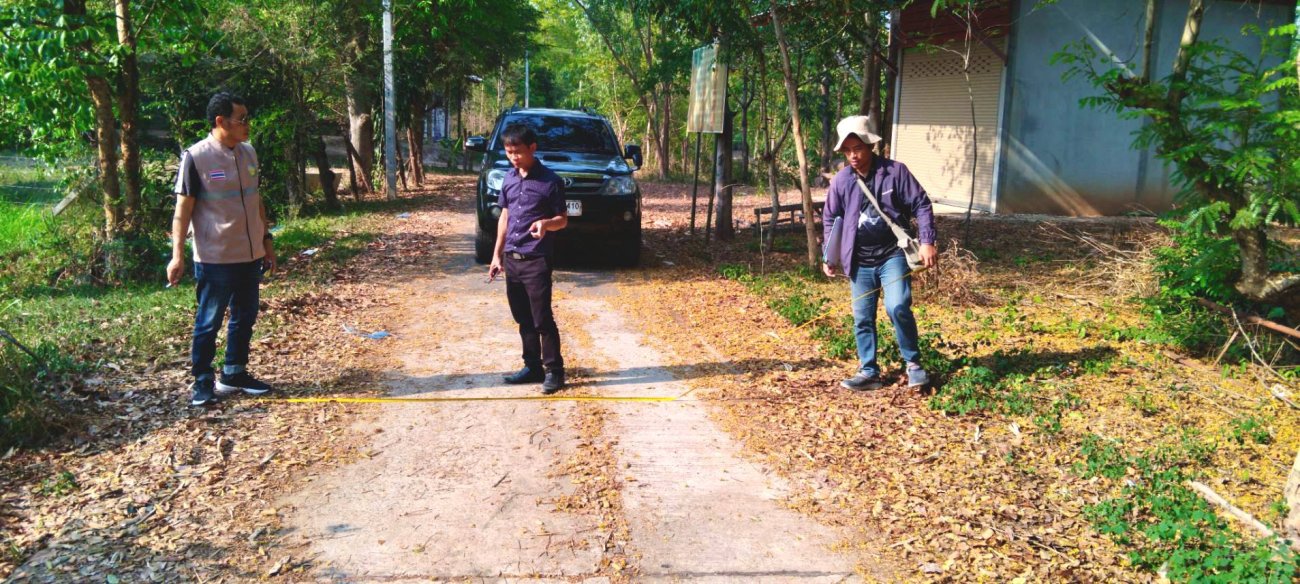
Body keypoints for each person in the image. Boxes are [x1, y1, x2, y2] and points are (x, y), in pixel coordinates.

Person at [167, 92, 277, 406]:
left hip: (250, 254)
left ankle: (234, 373)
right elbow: (182, 210)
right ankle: (202, 381)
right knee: (209, 321)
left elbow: (256, 200)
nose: (247, 125)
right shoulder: (196, 157)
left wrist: (267, 242)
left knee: (245, 315)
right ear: (220, 121)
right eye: (242, 119)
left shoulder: (249, 153)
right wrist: (177, 255)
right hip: (215, 258)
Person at [821, 115, 938, 391]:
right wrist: (830, 254)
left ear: (870, 145)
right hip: (858, 260)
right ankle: (868, 371)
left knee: (897, 306)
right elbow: (830, 218)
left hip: (892, 255)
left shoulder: (895, 172)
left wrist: (927, 241)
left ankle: (914, 365)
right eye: (847, 150)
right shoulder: (841, 181)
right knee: (862, 317)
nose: (853, 156)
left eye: (858, 148)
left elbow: (921, 204)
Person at [488, 124, 569, 394]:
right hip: (512, 258)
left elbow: (562, 220)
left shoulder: (550, 181)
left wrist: (546, 224)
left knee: (541, 317)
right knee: (522, 317)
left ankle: (554, 371)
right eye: (509, 152)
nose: (513, 157)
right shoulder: (509, 179)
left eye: (518, 152)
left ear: (532, 148)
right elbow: (505, 217)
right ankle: (532, 366)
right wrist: (497, 255)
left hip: (536, 259)